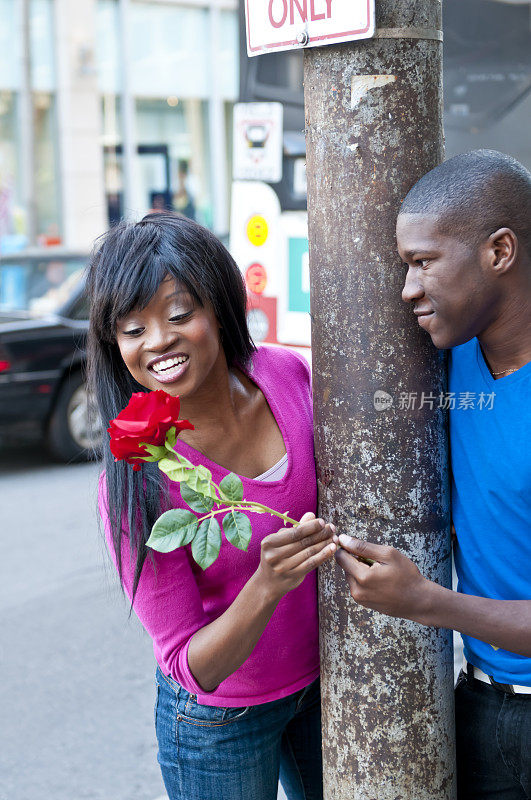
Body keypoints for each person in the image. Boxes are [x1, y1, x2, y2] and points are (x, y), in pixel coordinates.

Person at [86, 211, 336, 800]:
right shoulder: (137, 477)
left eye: (178, 315)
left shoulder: (288, 376)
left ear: (220, 307)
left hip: (325, 685)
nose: (158, 342)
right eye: (132, 329)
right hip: (219, 722)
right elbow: (190, 668)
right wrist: (266, 584)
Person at [335, 150, 531, 799]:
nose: (406, 289)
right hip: (481, 710)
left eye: (423, 262)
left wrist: (425, 602)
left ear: (498, 251)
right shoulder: (451, 361)